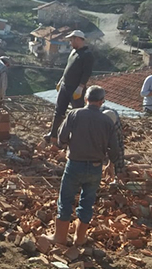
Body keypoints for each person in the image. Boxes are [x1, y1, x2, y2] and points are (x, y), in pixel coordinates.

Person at [51, 86, 123, 247]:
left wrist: (67, 144)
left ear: (86, 99)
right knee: (87, 202)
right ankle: (80, 238)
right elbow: (115, 148)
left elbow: (61, 138)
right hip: (96, 167)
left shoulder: (75, 114)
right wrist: (111, 163)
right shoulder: (107, 120)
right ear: (102, 101)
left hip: (75, 164)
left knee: (65, 200)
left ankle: (60, 237)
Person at [44, 30, 94, 145]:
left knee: (77, 114)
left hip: (75, 88)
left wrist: (81, 87)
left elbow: (87, 73)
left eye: (71, 40)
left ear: (78, 39)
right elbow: (68, 67)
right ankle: (53, 134)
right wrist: (61, 80)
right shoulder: (73, 52)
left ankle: (75, 139)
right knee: (59, 111)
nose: (70, 42)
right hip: (65, 86)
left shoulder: (87, 55)